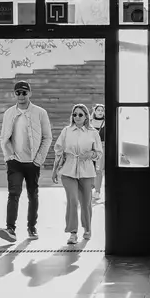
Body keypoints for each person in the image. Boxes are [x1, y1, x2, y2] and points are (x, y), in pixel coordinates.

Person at [0, 79, 51, 243]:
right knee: (13, 194)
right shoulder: (9, 113)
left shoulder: (40, 112)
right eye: (18, 93)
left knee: (32, 195)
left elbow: (47, 137)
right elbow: (3, 138)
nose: (21, 95)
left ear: (30, 93)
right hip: (15, 162)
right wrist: (9, 157)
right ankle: (10, 229)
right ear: (15, 94)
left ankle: (31, 227)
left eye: (24, 92)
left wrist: (38, 160)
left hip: (33, 163)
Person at [54, 103, 101, 244]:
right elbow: (58, 149)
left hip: (87, 172)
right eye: (74, 114)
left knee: (86, 202)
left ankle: (87, 228)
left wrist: (90, 154)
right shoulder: (66, 131)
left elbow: (99, 153)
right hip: (68, 171)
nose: (77, 117)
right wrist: (58, 163)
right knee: (72, 200)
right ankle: (72, 233)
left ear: (86, 116)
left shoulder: (93, 133)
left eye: (80, 114)